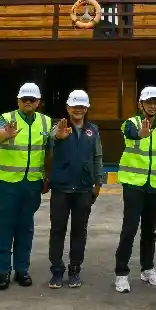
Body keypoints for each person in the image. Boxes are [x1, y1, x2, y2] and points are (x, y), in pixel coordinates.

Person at [0, 82, 53, 290]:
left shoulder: (46, 122)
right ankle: (3, 271)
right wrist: (5, 135)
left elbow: (48, 151)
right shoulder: (6, 118)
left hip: (33, 183)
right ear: (18, 101)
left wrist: (47, 177)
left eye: (32, 100)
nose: (28, 103)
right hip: (9, 183)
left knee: (26, 227)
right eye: (24, 100)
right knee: (6, 225)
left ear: (38, 102)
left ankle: (21, 269)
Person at [113, 86, 156, 293]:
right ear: (141, 104)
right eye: (149, 102)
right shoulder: (131, 123)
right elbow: (131, 134)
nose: (153, 106)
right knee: (129, 229)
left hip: (154, 185)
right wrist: (140, 133)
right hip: (133, 184)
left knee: (150, 230)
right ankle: (121, 273)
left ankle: (147, 269)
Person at [48, 89, 105, 289]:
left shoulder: (93, 130)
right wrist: (58, 138)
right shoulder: (59, 128)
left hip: (83, 188)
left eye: (82, 106)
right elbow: (49, 146)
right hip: (61, 188)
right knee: (57, 230)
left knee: (79, 231)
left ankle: (74, 269)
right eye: (74, 106)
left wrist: (98, 182)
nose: (78, 109)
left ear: (87, 108)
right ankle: (56, 271)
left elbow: (97, 157)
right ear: (68, 108)